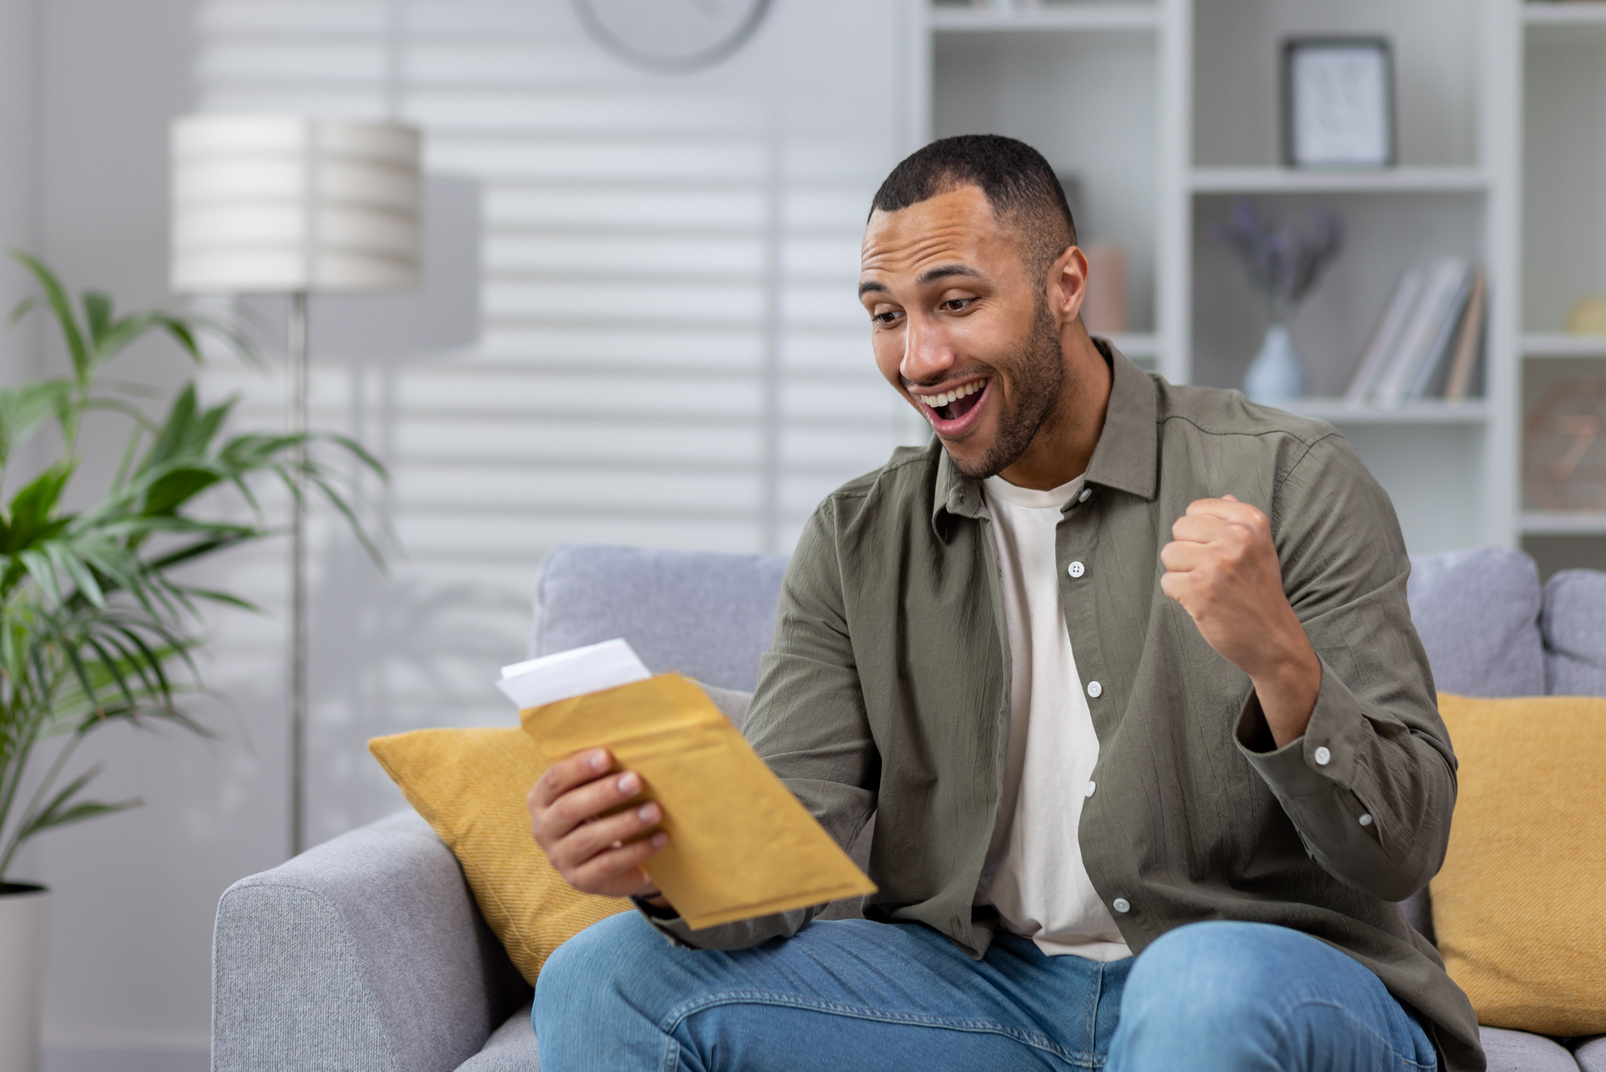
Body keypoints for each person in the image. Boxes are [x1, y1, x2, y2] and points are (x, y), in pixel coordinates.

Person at [526, 134, 1483, 1072]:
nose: (919, 357)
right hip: (986, 996)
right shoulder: (856, 539)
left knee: (1196, 988)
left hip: (1264, 980)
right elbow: (786, 843)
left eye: (955, 302)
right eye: (885, 315)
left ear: (1066, 285)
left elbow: (1403, 851)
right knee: (599, 979)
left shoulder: (1290, 477)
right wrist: (661, 864)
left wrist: (1281, 661)